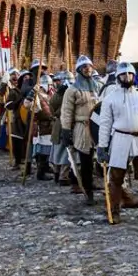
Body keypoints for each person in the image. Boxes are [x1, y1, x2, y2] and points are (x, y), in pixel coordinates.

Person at [96, 62, 138, 222]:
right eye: (124, 75)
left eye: (130, 74)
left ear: (134, 76)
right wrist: (102, 146)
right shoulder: (110, 99)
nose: (127, 77)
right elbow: (105, 124)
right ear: (118, 77)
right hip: (120, 139)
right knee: (116, 178)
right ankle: (115, 211)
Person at [61, 56, 100, 205]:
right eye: (84, 67)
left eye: (89, 66)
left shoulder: (97, 86)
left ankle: (97, 186)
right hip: (82, 127)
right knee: (85, 161)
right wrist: (66, 130)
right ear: (79, 70)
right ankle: (88, 191)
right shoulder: (72, 90)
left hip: (97, 127)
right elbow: (66, 112)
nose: (88, 69)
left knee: (99, 160)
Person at [25, 74, 55, 181]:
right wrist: (33, 92)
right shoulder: (38, 95)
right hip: (41, 126)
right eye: (49, 84)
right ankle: (41, 172)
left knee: (48, 149)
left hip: (50, 125)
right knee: (43, 150)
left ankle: (46, 168)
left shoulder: (49, 94)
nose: (51, 87)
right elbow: (27, 104)